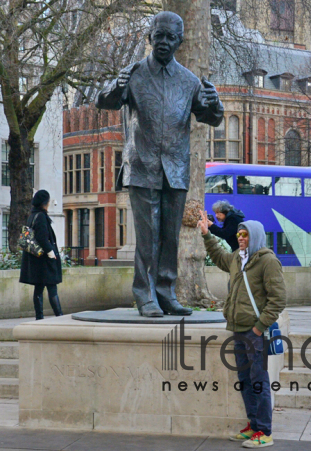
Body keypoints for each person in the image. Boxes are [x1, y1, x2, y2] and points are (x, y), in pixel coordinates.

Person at [95, 11, 224, 317]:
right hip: (142, 166)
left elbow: (210, 116)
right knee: (148, 236)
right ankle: (145, 294)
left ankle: (166, 292)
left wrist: (216, 104)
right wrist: (116, 86)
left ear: (179, 41)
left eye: (170, 37)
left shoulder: (189, 81)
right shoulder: (135, 72)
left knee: (170, 236)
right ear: (150, 37)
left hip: (176, 169)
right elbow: (104, 101)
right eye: (159, 35)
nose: (164, 42)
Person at [198, 210, 286, 448]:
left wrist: (258, 329)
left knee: (259, 381)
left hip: (254, 332)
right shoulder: (238, 257)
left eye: (245, 235)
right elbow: (219, 257)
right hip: (238, 330)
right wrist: (207, 235)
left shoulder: (267, 261)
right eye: (239, 234)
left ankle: (265, 432)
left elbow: (277, 300)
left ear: (255, 236)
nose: (240, 238)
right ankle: (253, 425)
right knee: (246, 380)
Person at [20, 189, 64, 319]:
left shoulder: (32, 216)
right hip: (44, 260)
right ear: (44, 203)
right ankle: (59, 316)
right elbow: (43, 238)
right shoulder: (41, 217)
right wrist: (51, 253)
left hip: (35, 259)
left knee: (38, 289)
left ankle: (39, 317)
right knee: (52, 289)